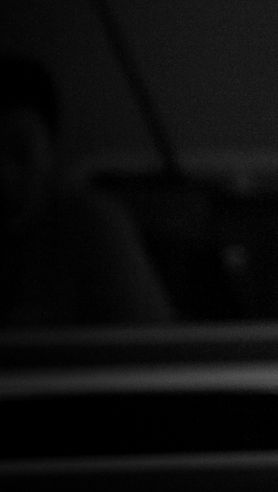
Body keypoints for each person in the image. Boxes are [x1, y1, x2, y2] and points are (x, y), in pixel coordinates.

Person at [1, 55, 173, 328]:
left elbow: (148, 338)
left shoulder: (91, 226)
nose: (4, 171)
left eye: (20, 150)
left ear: (51, 149)